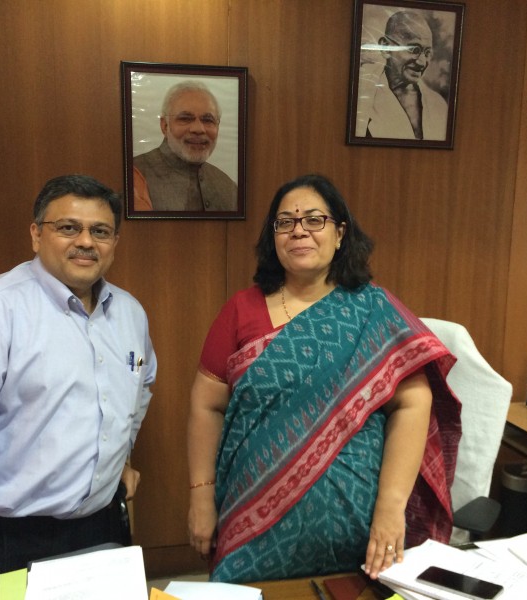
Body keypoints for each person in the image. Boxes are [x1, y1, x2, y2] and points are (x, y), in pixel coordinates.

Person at [187, 174, 461, 583]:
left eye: (314, 219)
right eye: (285, 222)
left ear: (339, 233)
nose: (299, 230)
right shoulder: (241, 310)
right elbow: (206, 405)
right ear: (273, 236)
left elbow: (413, 402)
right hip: (251, 522)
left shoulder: (374, 311)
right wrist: (201, 496)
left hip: (360, 532)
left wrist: (390, 508)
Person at [0, 174, 157, 599]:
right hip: (10, 540)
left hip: (102, 527)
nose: (85, 241)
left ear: (115, 241)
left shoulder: (129, 314)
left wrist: (121, 458)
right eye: (67, 228)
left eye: (100, 231)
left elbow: (140, 386)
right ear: (36, 234)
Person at [133, 80, 237, 212]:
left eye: (208, 120)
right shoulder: (136, 176)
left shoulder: (228, 187)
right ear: (165, 126)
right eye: (185, 119)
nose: (198, 129)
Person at [355, 11, 448, 140]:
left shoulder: (438, 105)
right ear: (386, 47)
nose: (422, 62)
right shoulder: (362, 97)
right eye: (414, 49)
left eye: (427, 53)